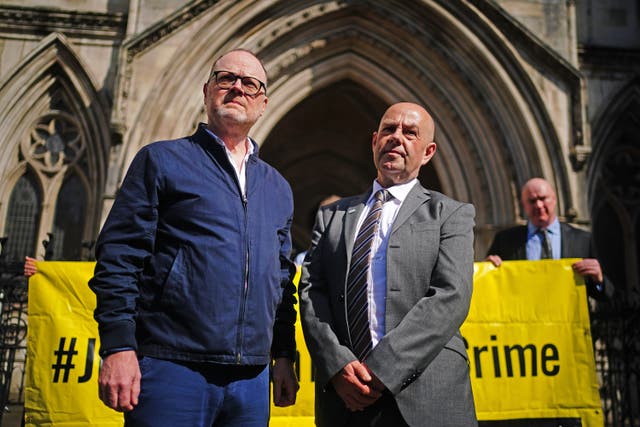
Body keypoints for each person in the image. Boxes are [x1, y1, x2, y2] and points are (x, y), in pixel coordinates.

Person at [89, 49, 299, 426]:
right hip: (171, 365)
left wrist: (283, 354)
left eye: (249, 83)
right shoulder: (162, 160)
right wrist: (118, 346)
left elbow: (282, 282)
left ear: (263, 103)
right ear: (206, 91)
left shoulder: (278, 187)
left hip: (251, 378)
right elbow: (119, 257)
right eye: (226, 79)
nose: (237, 88)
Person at [299, 102, 477, 427]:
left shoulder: (451, 214)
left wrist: (383, 368)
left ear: (428, 152)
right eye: (388, 130)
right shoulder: (332, 215)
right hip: (346, 398)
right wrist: (337, 366)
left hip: (429, 397)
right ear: (374, 142)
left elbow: (451, 296)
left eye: (410, 133)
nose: (396, 138)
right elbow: (312, 293)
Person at [486, 177, 612, 299]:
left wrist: (598, 279)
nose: (539, 205)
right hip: (524, 318)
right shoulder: (505, 240)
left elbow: (607, 295)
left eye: (543, 198)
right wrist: (488, 269)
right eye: (532, 201)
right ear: (523, 205)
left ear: (554, 199)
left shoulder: (582, 240)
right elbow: (490, 289)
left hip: (569, 319)